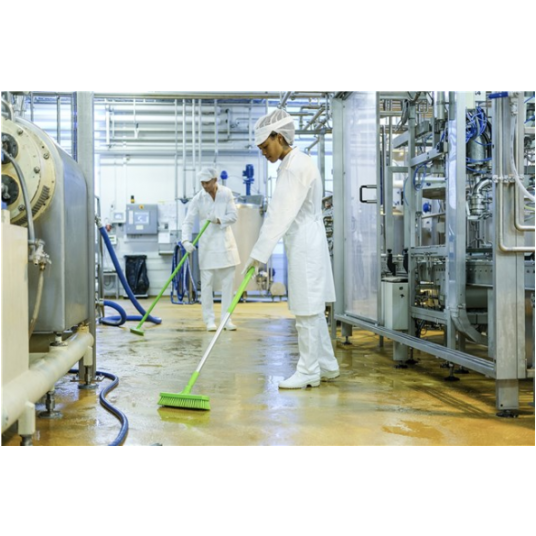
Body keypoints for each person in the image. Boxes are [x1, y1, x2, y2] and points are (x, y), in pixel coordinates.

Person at [244, 109, 340, 389]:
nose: (263, 152)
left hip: (305, 245)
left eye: (265, 146)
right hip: (306, 241)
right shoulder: (293, 163)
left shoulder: (295, 167)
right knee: (313, 309)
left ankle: (308, 370)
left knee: (306, 310)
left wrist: (258, 254)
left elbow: (278, 214)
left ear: (279, 137)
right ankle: (326, 364)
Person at [182, 167, 240, 331]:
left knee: (228, 286)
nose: (205, 186)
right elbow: (188, 221)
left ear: (215, 180)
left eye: (207, 182)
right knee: (206, 286)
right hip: (207, 247)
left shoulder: (226, 193)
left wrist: (219, 220)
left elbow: (234, 216)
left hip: (225, 246)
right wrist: (185, 240)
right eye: (202, 183)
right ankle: (209, 320)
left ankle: (226, 320)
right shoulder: (198, 198)